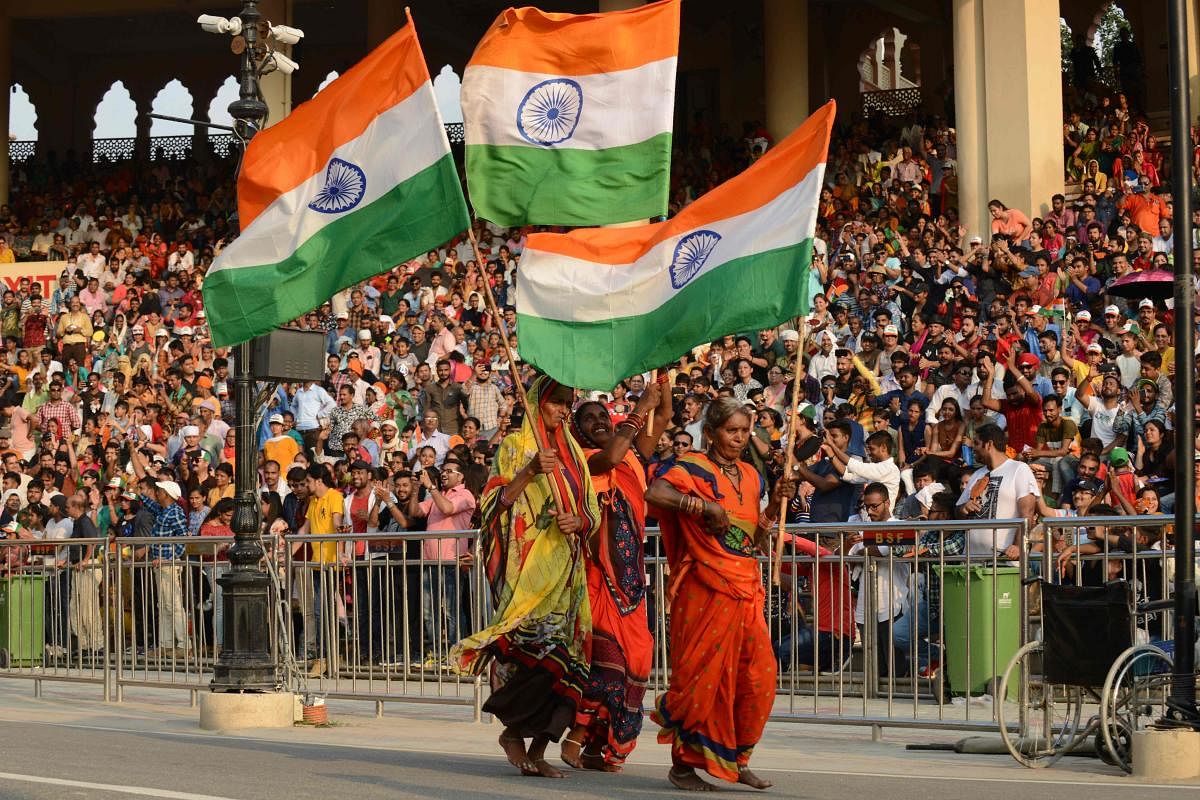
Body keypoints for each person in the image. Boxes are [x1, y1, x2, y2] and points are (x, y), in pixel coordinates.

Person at [450, 376, 601, 779]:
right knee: (535, 658)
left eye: (569, 403)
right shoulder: (516, 445)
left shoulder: (573, 453)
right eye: (558, 403)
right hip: (528, 571)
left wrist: (579, 520)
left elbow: (591, 511)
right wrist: (531, 470)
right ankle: (514, 733)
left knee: (569, 662)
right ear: (540, 402)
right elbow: (494, 503)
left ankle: (537, 749)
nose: (565, 410)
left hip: (566, 572)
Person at [644, 397, 796, 791]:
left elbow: (754, 537)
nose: (740, 439)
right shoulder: (693, 466)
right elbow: (656, 493)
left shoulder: (750, 473)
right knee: (701, 678)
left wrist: (776, 504)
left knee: (758, 678)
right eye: (732, 431)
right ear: (709, 433)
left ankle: (737, 757)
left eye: (745, 431)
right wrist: (698, 505)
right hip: (704, 588)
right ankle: (683, 766)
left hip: (745, 586)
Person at [561, 378, 669, 772]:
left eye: (602, 415)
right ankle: (578, 735)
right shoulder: (583, 460)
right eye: (588, 419)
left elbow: (665, 416)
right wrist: (639, 409)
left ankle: (603, 747)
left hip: (632, 582)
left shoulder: (632, 457)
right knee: (605, 661)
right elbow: (609, 458)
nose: (598, 422)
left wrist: (662, 382)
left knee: (638, 657)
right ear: (577, 431)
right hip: (596, 576)